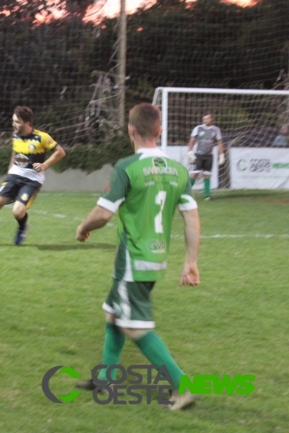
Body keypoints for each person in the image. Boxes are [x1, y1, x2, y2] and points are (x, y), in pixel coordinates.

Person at [74, 103, 201, 411]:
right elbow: (192, 217)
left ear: (130, 130)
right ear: (159, 131)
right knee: (113, 314)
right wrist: (191, 261)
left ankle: (182, 387)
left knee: (135, 328)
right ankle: (106, 377)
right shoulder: (180, 171)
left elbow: (103, 214)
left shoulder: (128, 167)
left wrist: (82, 227)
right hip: (154, 259)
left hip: (133, 260)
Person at [0, 106, 66, 246]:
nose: (13, 124)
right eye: (13, 121)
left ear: (27, 123)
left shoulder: (41, 137)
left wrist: (44, 165)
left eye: (17, 122)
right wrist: (10, 171)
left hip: (32, 180)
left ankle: (22, 227)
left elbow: (61, 152)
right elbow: (14, 153)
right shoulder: (15, 135)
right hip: (14, 175)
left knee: (17, 211)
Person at [187, 111, 225, 201]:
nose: (205, 120)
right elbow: (192, 141)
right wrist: (190, 152)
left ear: (212, 119)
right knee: (194, 174)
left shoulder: (216, 129)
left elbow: (219, 143)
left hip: (209, 156)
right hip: (198, 155)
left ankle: (207, 195)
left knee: (207, 175)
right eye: (204, 119)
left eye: (207, 118)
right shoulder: (198, 128)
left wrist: (222, 155)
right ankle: (186, 193)